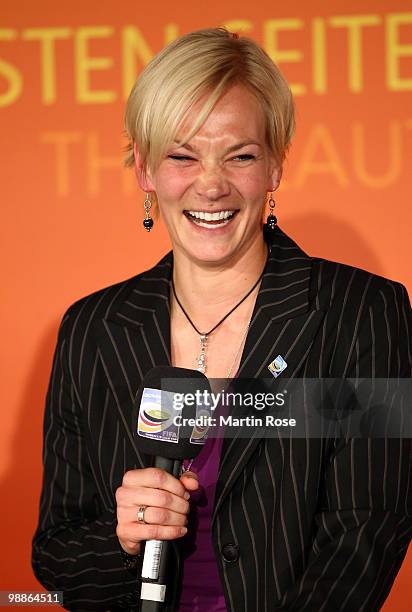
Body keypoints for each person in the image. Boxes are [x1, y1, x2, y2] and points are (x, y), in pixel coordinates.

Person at [32, 28, 411, 611]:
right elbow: (58, 554)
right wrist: (123, 539)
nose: (210, 184)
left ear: (275, 166)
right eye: (182, 155)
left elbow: (369, 530)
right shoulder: (92, 329)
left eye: (241, 155)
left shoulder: (363, 313)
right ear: (144, 170)